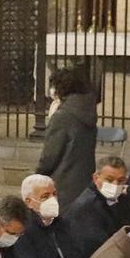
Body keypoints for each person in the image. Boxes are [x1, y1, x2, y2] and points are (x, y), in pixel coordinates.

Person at [36, 70, 98, 204]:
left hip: (62, 182)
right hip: (84, 180)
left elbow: (50, 155)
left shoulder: (63, 116)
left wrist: (38, 175)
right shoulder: (87, 110)